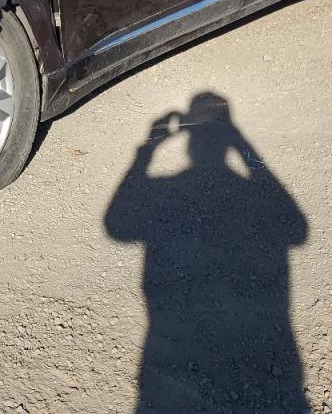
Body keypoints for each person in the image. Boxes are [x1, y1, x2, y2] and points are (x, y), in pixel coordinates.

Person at [105, 91, 309, 413]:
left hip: (166, 351)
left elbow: (116, 226)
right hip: (262, 351)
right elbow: (297, 229)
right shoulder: (248, 194)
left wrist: (147, 151)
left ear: (187, 143)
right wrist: (242, 144)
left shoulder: (165, 192)